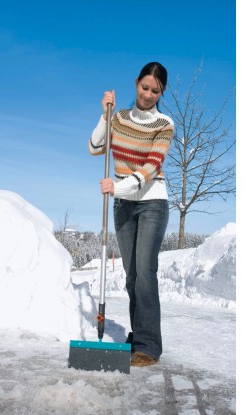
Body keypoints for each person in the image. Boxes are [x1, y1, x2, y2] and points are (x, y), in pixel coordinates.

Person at [88, 62, 174, 367]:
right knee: (132, 276)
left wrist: (119, 186)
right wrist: (105, 115)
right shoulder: (120, 118)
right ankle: (138, 337)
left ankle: (148, 347)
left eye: (155, 91)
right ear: (136, 83)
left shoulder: (164, 124)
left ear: (161, 92)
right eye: (144, 87)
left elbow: (151, 167)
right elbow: (95, 146)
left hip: (152, 202)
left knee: (145, 273)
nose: (148, 94)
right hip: (123, 205)